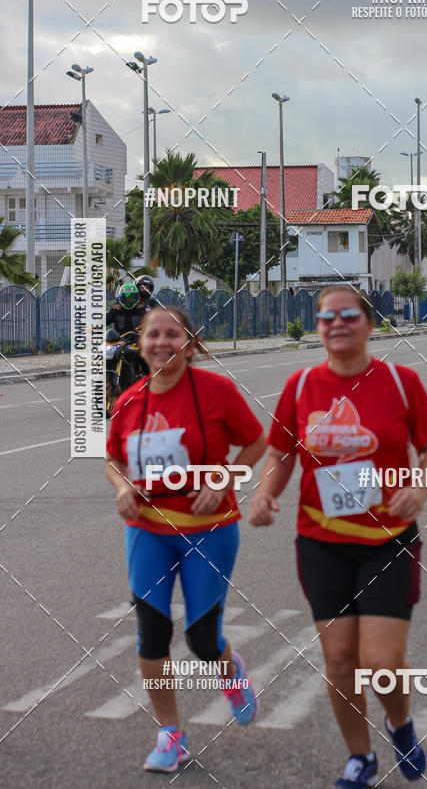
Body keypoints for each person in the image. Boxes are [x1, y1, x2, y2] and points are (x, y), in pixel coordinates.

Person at [249, 285, 427, 788]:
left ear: (369, 324)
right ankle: (360, 757)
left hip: (389, 538)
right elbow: (281, 455)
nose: (337, 323)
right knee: (339, 661)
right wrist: (266, 494)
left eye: (348, 315)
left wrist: (419, 490)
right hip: (321, 541)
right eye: (326, 317)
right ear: (318, 326)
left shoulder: (401, 383)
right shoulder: (299, 387)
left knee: (379, 662)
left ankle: (399, 724)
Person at [106, 306, 267, 773]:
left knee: (201, 639)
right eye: (152, 334)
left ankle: (230, 672)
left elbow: (255, 442)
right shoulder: (130, 400)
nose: (161, 342)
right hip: (147, 530)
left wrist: (222, 479)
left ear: (190, 343)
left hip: (208, 530)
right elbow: (113, 460)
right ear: (140, 343)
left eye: (172, 334)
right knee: (152, 635)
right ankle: (170, 734)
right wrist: (122, 489)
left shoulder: (216, 391)